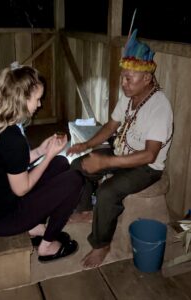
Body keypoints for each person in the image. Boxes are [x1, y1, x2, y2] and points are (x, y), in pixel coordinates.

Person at [66, 29, 173, 268]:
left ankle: (102, 244)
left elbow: (149, 155)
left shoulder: (160, 107)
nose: (123, 83)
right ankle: (84, 210)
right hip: (121, 153)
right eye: (123, 77)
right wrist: (87, 145)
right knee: (78, 165)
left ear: (147, 79)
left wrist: (105, 163)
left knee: (107, 193)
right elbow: (111, 125)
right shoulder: (128, 94)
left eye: (129, 78)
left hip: (146, 167)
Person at [0, 64, 84, 262]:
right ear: (22, 99)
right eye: (37, 99)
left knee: (60, 163)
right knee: (74, 180)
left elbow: (12, 163)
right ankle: (47, 246)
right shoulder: (13, 138)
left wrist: (41, 150)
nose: (39, 105)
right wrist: (47, 156)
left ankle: (32, 228)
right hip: (3, 220)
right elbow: (22, 189)